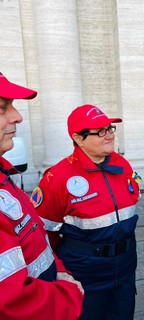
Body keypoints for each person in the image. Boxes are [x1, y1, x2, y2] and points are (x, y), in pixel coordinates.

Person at [31, 104, 141, 320]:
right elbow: (42, 237)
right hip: (86, 277)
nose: (109, 135)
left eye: (110, 128)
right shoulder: (58, 178)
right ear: (78, 138)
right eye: (100, 131)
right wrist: (60, 273)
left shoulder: (122, 165)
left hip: (125, 271)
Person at [0, 72, 84, 319]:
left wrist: (56, 271)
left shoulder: (5, 177)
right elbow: (11, 302)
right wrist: (69, 294)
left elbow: (37, 240)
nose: (18, 116)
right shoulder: (57, 176)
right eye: (2, 107)